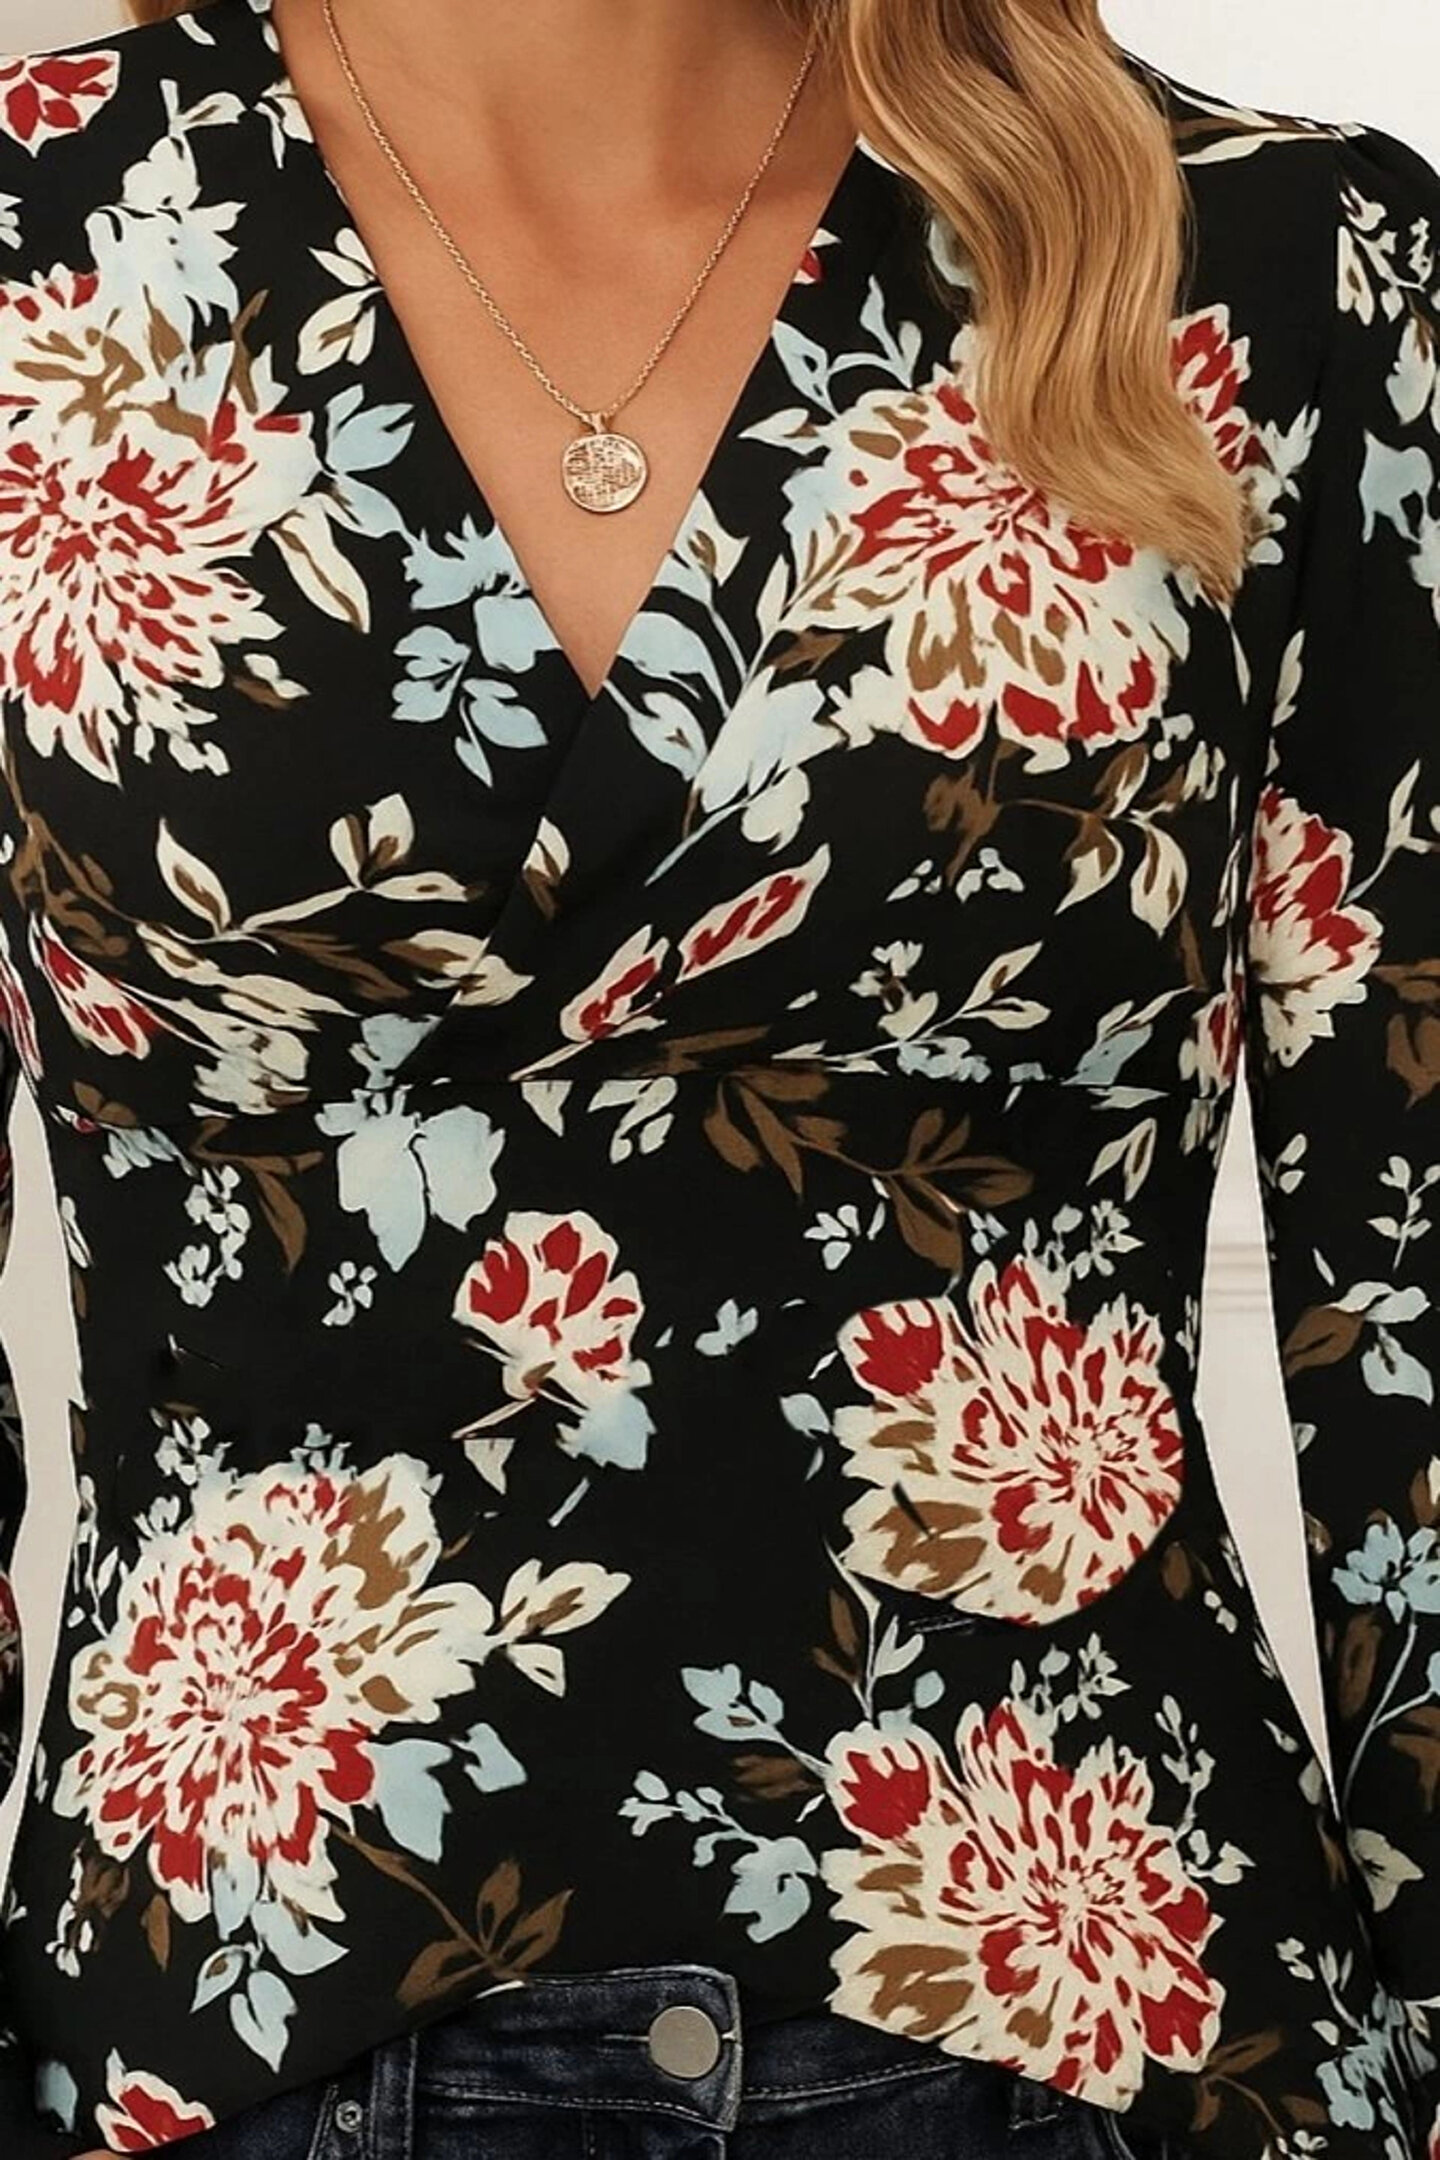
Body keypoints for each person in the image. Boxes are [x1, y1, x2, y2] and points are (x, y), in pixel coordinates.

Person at [0, 0, 1435, 2153]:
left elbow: (1411, 1261)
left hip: (1100, 2012)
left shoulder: (1265, 260)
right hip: (226, 2017)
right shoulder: (44, 241)